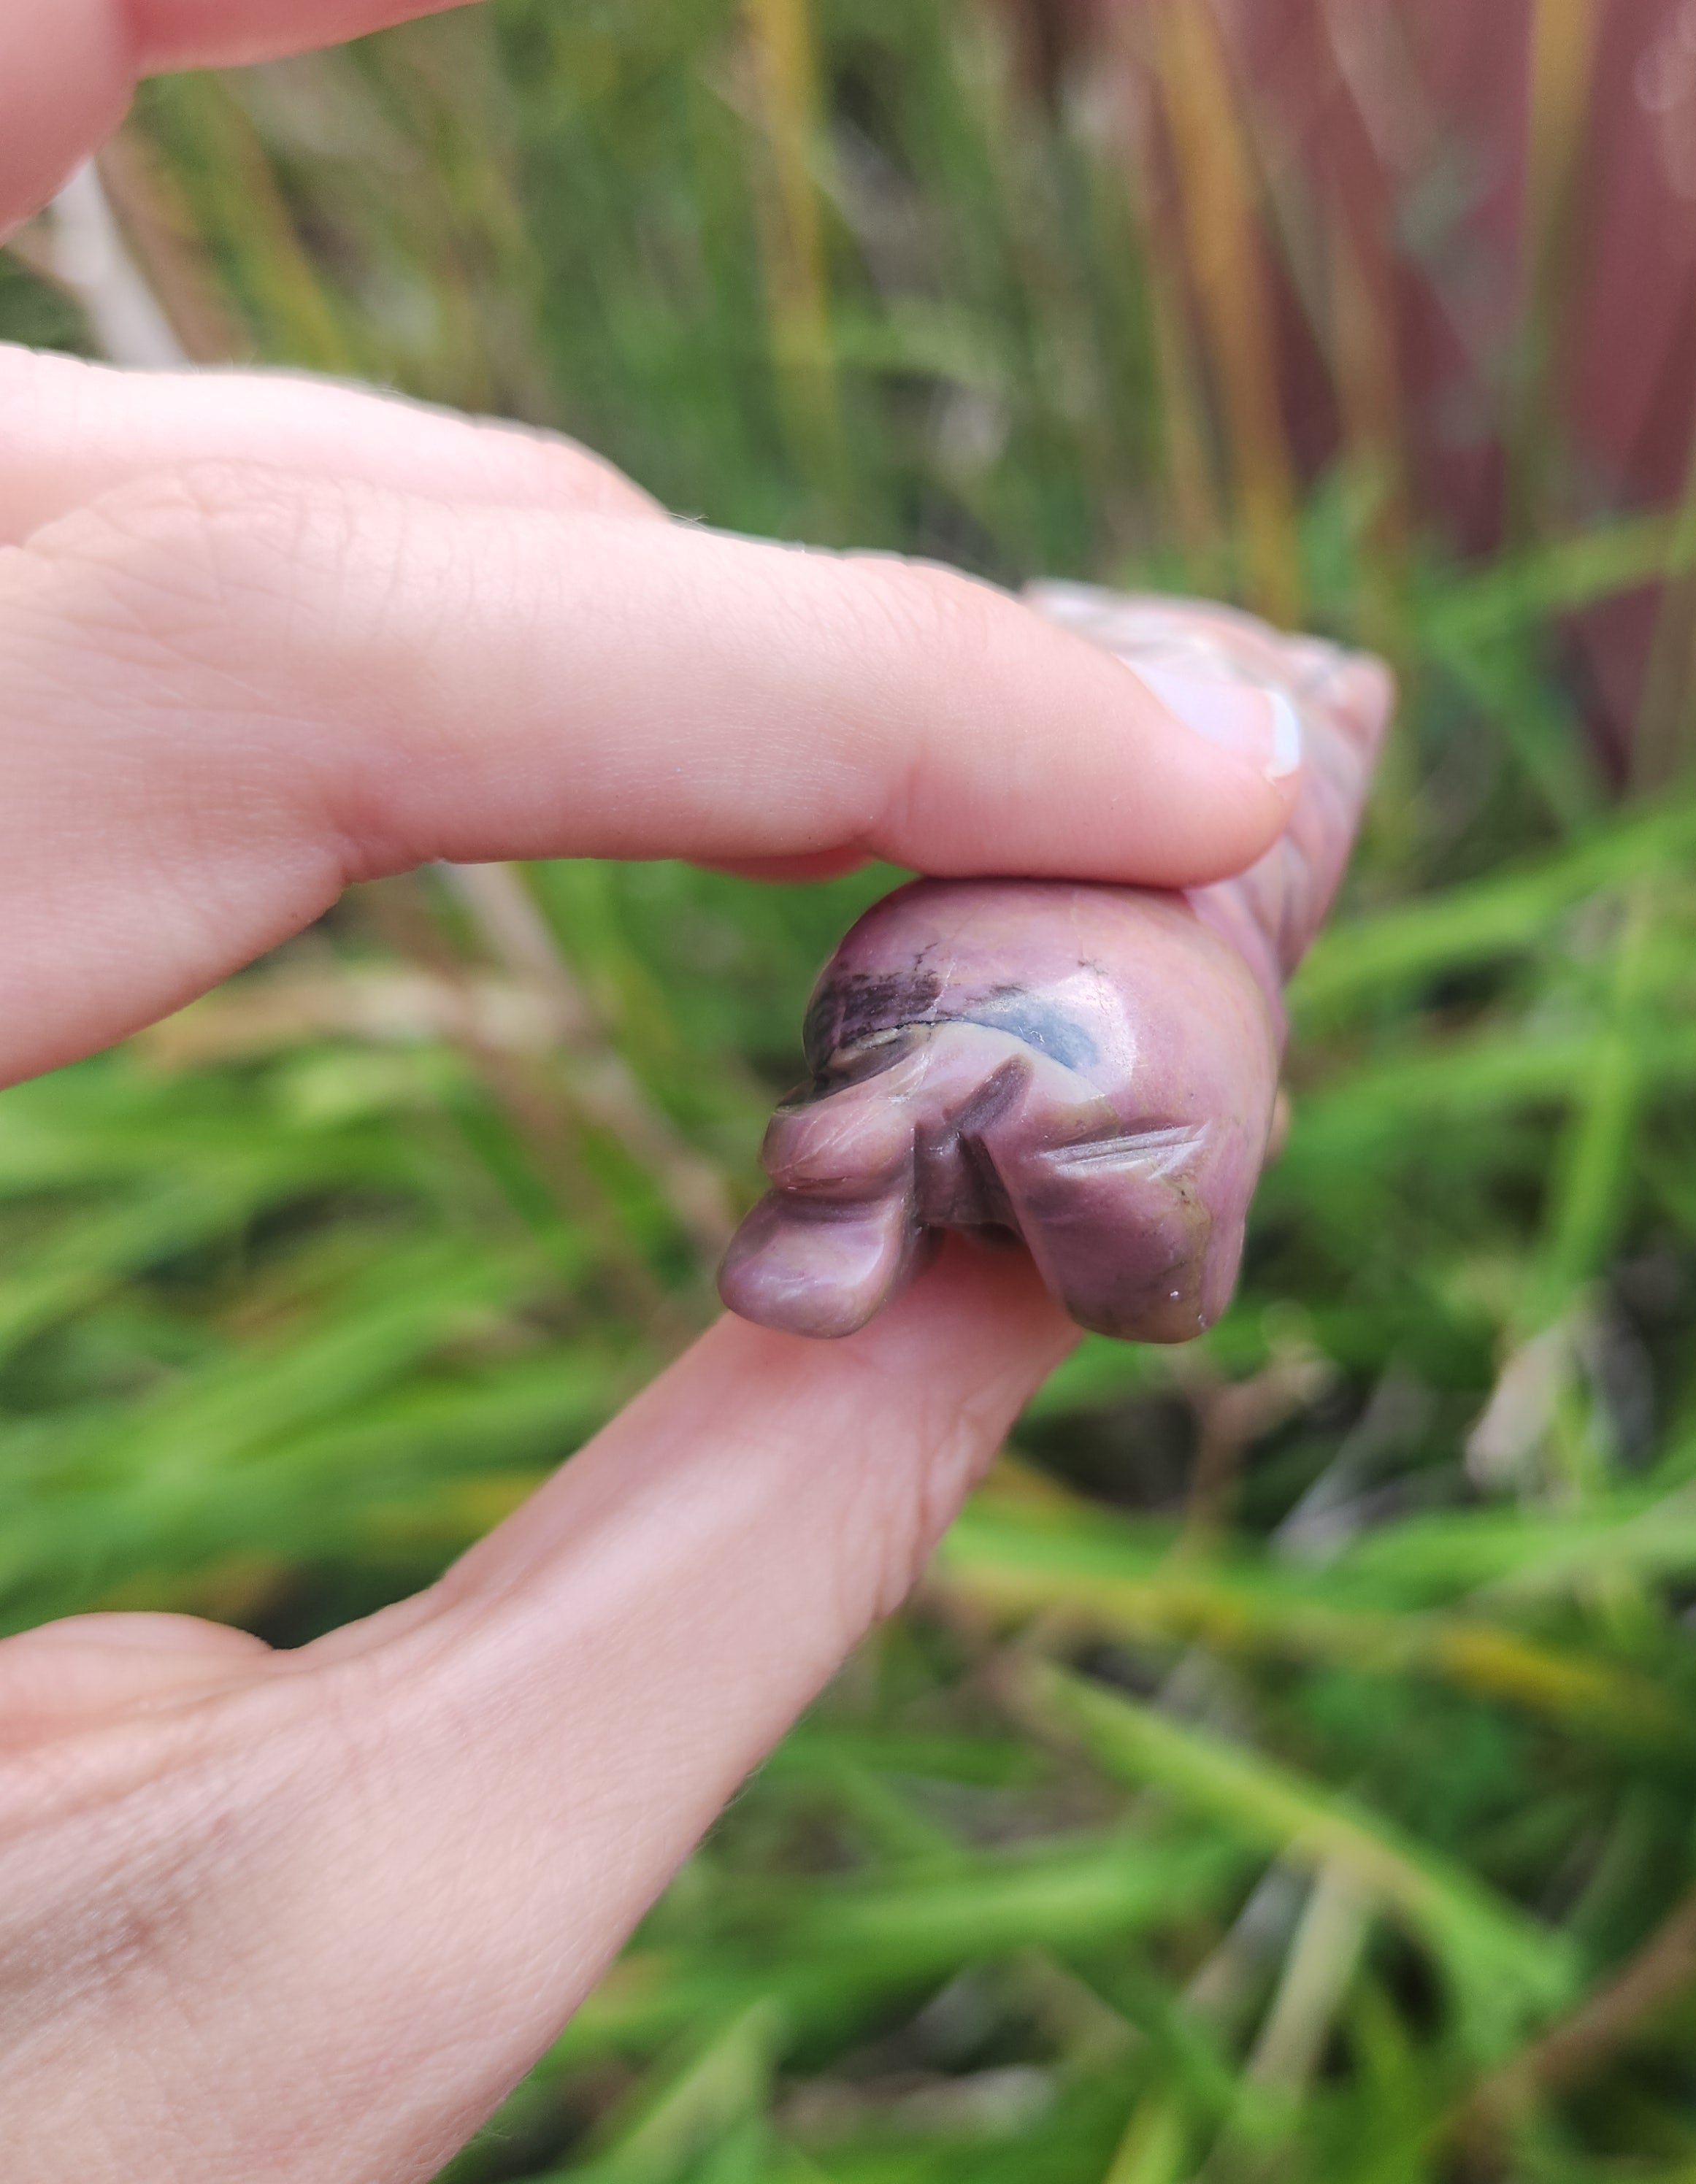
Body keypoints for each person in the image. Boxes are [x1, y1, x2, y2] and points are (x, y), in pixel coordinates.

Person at [0, 4, 1321, 2176]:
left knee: (1001, 1110)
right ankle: (890, 1159)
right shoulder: (1217, 796)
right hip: (1073, 1036)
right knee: (1088, 1152)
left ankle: (872, 1160)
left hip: (1007, 1021)